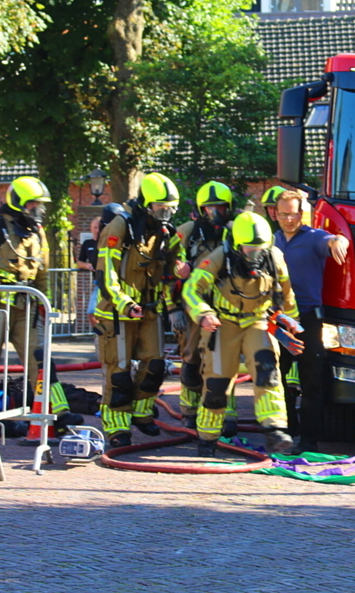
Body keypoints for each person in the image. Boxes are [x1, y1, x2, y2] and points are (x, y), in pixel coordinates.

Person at [0, 176, 82, 433]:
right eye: (34, 205)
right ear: (19, 203)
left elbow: (41, 272)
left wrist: (45, 303)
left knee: (41, 360)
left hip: (27, 310)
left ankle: (58, 413)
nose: (39, 210)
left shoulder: (37, 233)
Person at [183, 211, 300, 457]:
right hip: (223, 323)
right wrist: (203, 313)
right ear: (237, 246)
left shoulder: (274, 257)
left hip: (258, 320)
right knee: (216, 384)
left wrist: (291, 322)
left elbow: (287, 294)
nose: (256, 256)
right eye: (249, 250)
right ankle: (207, 439)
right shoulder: (218, 257)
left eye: (260, 250)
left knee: (267, 371)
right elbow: (192, 289)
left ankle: (275, 430)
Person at [94, 173, 187, 448]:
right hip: (118, 312)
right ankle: (117, 427)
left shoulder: (164, 231)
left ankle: (141, 413)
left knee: (155, 365)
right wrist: (124, 303)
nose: (166, 213)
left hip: (150, 310)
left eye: (170, 208)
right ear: (147, 204)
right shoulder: (120, 227)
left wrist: (179, 269)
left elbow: (169, 265)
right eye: (161, 208)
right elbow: (105, 274)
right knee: (119, 372)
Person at [273, 190, 349, 453]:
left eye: (293, 213)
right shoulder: (271, 242)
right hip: (278, 321)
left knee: (312, 381)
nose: (288, 219)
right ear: (275, 213)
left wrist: (339, 242)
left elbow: (333, 240)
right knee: (276, 378)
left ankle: (308, 441)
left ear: (301, 213)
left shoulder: (314, 238)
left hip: (307, 320)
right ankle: (285, 433)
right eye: (283, 214)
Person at [171, 181, 238, 435]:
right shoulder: (187, 231)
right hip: (193, 306)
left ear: (228, 208)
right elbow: (164, 266)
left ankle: (226, 413)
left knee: (225, 359)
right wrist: (172, 306)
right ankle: (189, 411)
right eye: (209, 209)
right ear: (201, 210)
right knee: (192, 358)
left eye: (220, 208)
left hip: (226, 306)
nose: (215, 214)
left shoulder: (235, 232)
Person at [76, 216, 101, 326]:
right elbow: (79, 262)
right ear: (91, 229)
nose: (97, 230)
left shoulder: (106, 242)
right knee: (91, 312)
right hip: (98, 282)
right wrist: (87, 265)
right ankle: (99, 335)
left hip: (109, 280)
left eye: (99, 227)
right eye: (94, 227)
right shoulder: (87, 243)